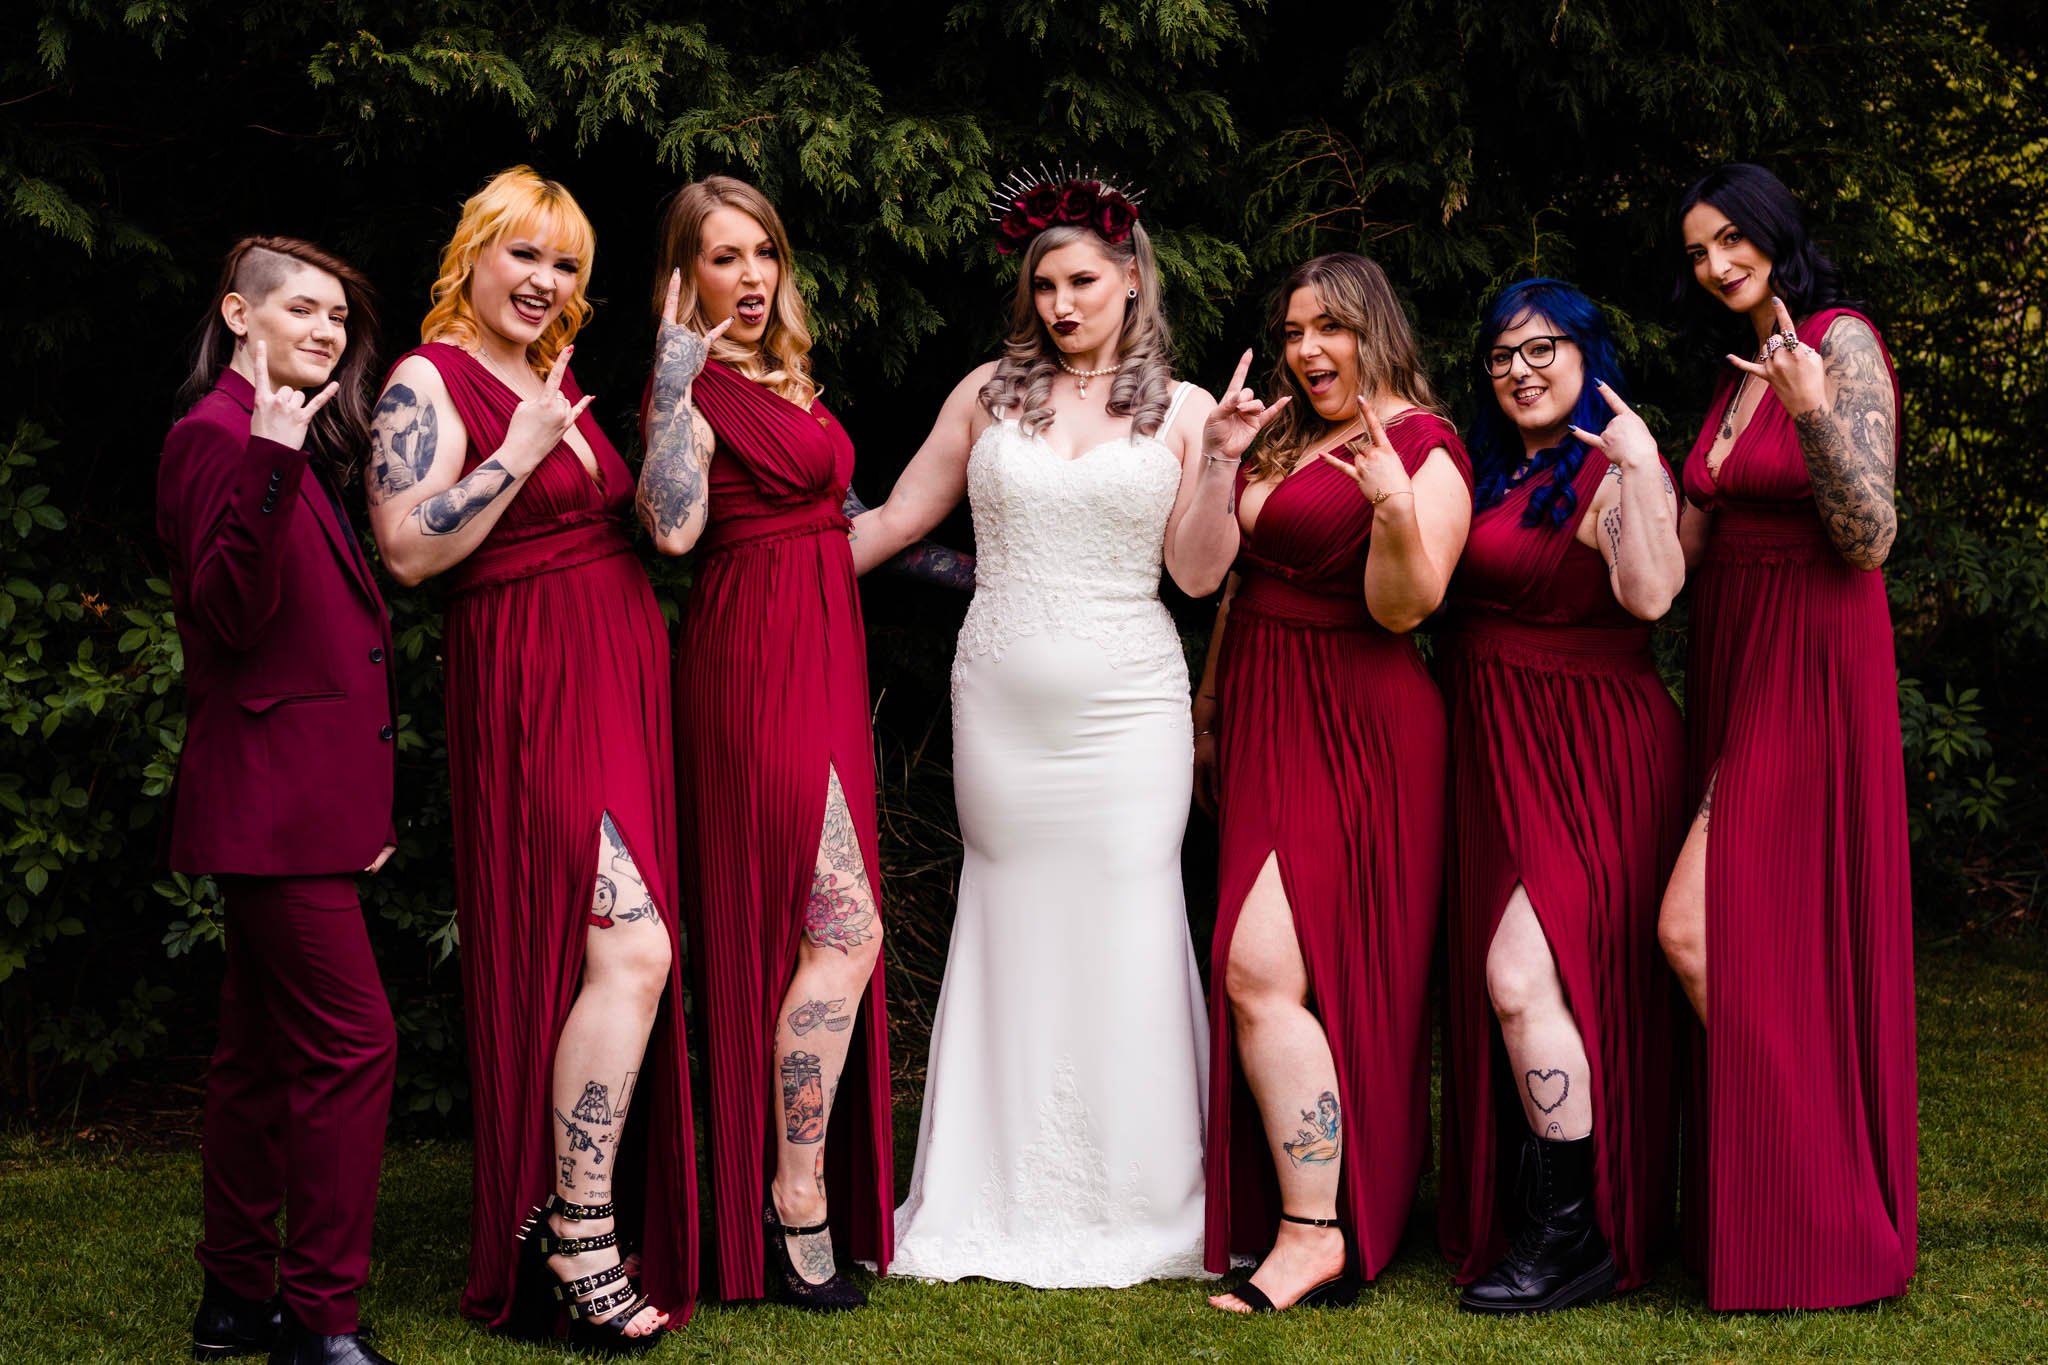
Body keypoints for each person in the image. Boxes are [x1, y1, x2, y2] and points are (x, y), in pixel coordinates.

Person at [845, 169, 1245, 1286]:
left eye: (1082, 282)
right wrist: (771, 575)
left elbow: (1196, 575)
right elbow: (895, 518)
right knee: (1009, 913)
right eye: (1044, 285)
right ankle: (993, 1186)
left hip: (1129, 708)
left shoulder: (1188, 409)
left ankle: (1143, 1195)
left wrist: (1218, 462)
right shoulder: (986, 394)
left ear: (1131, 280)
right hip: (1002, 704)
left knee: (1129, 915)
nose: (1061, 304)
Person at [366, 167, 695, 1350]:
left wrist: (672, 391)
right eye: (524, 254)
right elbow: (406, 551)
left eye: (566, 265)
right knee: (632, 944)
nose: (545, 281)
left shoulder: (553, 378)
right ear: (473, 257)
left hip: (619, 675)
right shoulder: (430, 378)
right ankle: (574, 1232)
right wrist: (515, 451)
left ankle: (578, 1219)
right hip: (531, 680)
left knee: (618, 950)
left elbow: (666, 530)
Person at [1192, 251, 1472, 1313]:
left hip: (1361, 720)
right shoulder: (1280, 435)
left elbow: (1408, 608)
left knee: (1262, 967)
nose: (1308, 350)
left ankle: (1314, 1230)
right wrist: (1210, 707)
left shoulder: (1426, 446)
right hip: (1264, 706)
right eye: (1294, 331)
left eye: (1331, 329)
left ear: (1374, 332)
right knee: (1265, 970)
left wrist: (1394, 508)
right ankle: (1309, 1209)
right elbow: (1229, 583)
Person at [1661, 162, 1915, 1310]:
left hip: (1811, 663)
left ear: (1771, 232)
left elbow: (1869, 537)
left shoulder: (1836, 340)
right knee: (1754, 934)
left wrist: (1809, 406)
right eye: (1695, 251)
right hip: (1733, 656)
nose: (1713, 263)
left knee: (1692, 929)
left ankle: (1825, 1196)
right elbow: (1679, 560)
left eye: (1728, 239)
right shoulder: (1730, 374)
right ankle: (1788, 1203)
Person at [639, 175, 891, 1310]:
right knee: (843, 928)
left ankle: (790, 1190)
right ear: (685, 275)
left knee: (824, 929)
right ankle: (794, 1199)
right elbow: (673, 528)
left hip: (825, 648)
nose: (749, 276)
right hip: (751, 658)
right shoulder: (690, 388)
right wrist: (668, 385)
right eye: (723, 257)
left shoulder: (787, 374)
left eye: (763, 253)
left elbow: (844, 521)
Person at [160, 236, 400, 1365]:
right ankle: (317, 1321)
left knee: (258, 1057)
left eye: (338, 318)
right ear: (237, 315)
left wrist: (362, 804)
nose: (325, 331)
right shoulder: (217, 437)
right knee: (355, 1045)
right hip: (269, 809)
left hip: (305, 805)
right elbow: (228, 615)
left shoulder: (284, 436)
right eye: (302, 309)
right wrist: (270, 453)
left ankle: (234, 1300)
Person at [1436, 278, 1686, 1314]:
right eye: (1502, 355)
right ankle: (1542, 1213)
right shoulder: (1493, 468)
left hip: (1591, 750)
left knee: (1519, 975)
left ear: (1587, 356)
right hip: (1495, 747)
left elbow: (1651, 594)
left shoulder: (1610, 467)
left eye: (1542, 349)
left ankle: (1570, 1235)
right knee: (1522, 982)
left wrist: (1637, 467)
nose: (1519, 371)